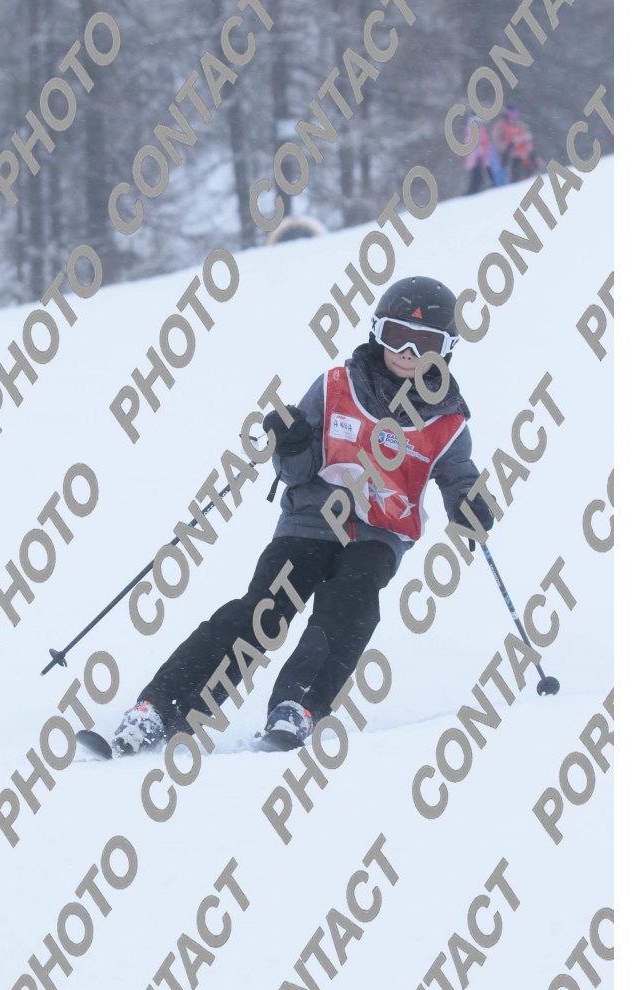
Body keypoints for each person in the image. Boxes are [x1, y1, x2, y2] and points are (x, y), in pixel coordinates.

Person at [109, 276, 496, 755]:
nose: (408, 353)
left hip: (379, 534)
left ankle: (298, 705)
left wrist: (468, 503)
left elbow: (458, 475)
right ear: (377, 331)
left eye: (425, 344)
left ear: (447, 350)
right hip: (311, 521)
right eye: (398, 336)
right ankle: (164, 705)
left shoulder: (448, 422)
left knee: (351, 601)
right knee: (264, 610)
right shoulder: (337, 386)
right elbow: (296, 472)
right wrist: (291, 441)